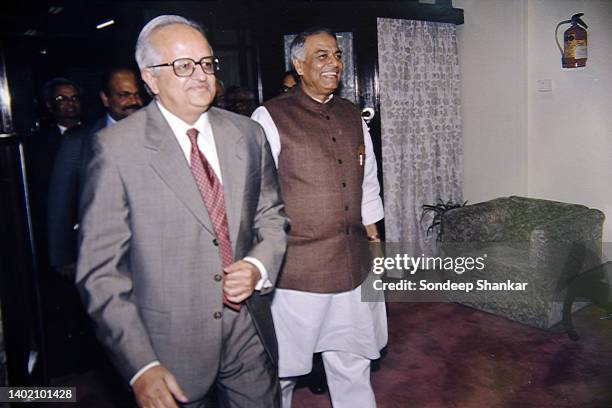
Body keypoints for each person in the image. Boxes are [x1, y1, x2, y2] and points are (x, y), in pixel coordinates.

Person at [76, 15, 288, 408]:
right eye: (183, 66)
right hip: (168, 345)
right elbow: (101, 273)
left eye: (206, 63)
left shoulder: (247, 133)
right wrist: (140, 365)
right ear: (150, 79)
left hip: (247, 327)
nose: (200, 75)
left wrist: (258, 267)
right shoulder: (116, 149)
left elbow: (272, 216)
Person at [252, 27, 388, 408]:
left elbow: (369, 181)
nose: (335, 64)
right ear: (298, 64)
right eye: (322, 55)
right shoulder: (270, 116)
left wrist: (375, 242)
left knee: (353, 357)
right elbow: (258, 194)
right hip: (298, 270)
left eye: (338, 55)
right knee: (283, 368)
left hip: (353, 261)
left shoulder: (352, 114)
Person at [47, 67, 144, 275]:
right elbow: (60, 202)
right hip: (103, 253)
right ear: (106, 99)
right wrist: (62, 257)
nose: (133, 101)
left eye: (137, 94)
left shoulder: (156, 135)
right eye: (124, 95)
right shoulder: (79, 141)